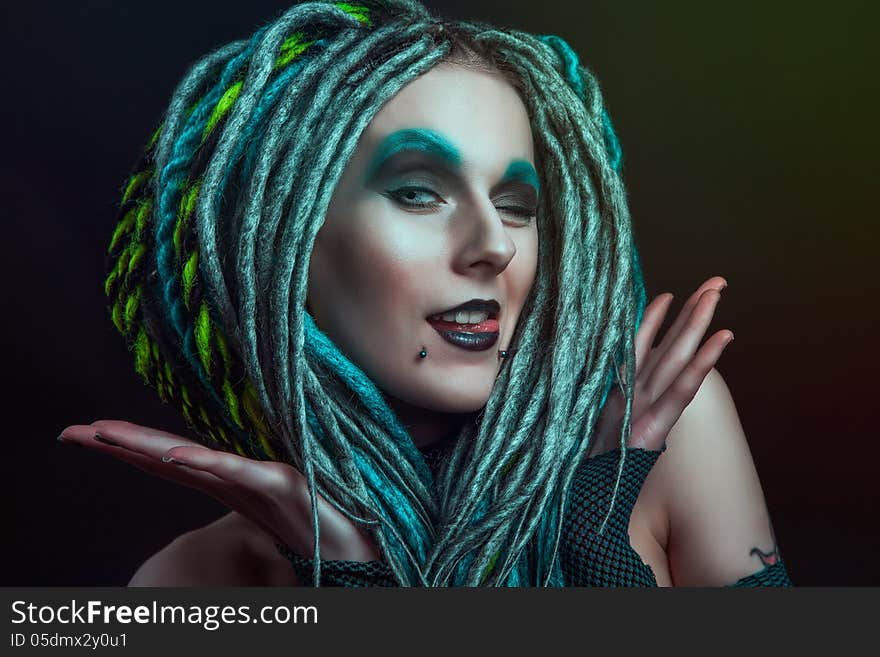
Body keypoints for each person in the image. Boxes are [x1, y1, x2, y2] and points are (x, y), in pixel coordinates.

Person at [59, 0, 790, 587]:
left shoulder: (660, 433)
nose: (494, 245)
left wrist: (593, 538)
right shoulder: (195, 581)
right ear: (282, 241)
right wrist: (359, 579)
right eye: (418, 192)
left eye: (516, 203)